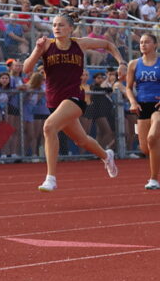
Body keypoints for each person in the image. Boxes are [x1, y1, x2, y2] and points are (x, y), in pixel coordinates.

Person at [22, 14, 122, 192]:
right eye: (54, 25)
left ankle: (50, 178)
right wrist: (37, 50)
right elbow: (26, 69)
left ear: (70, 28)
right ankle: (106, 155)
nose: (56, 28)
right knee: (81, 140)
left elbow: (108, 45)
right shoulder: (46, 45)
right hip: (54, 100)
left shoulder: (79, 43)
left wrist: (121, 62)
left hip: (75, 97)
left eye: (61, 25)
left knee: (48, 127)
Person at [123, 33, 160, 190]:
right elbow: (128, 87)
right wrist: (132, 101)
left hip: (158, 106)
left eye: (147, 42)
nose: (143, 45)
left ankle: (153, 179)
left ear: (155, 45)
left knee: (152, 138)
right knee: (145, 148)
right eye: (141, 42)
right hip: (142, 106)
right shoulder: (133, 64)